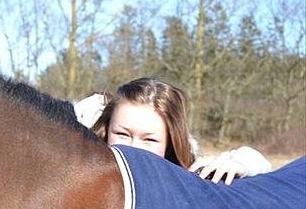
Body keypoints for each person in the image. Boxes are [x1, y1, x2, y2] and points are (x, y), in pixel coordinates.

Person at [74, 77, 271, 185]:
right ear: (107, 129)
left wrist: (236, 164)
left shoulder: (188, 171)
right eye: (123, 134)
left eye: (149, 140)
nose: (133, 149)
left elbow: (258, 161)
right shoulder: (82, 153)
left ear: (170, 143)